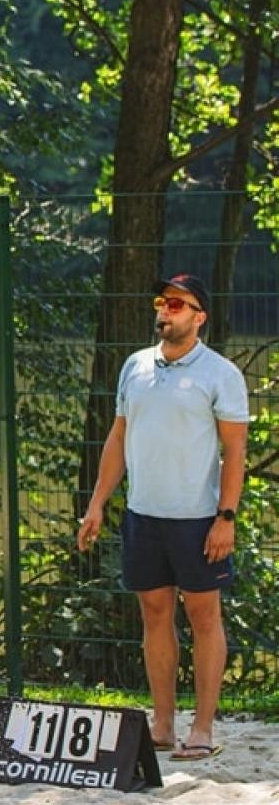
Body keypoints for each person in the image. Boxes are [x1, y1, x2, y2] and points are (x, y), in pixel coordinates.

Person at [77, 273, 249, 762]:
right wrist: (97, 504)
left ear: (200, 316)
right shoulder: (135, 366)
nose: (166, 310)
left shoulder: (220, 374)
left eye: (178, 304)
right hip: (142, 515)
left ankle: (203, 727)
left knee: (203, 616)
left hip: (198, 519)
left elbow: (234, 451)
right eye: (162, 301)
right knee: (154, 615)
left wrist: (226, 517)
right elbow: (118, 438)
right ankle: (163, 724)